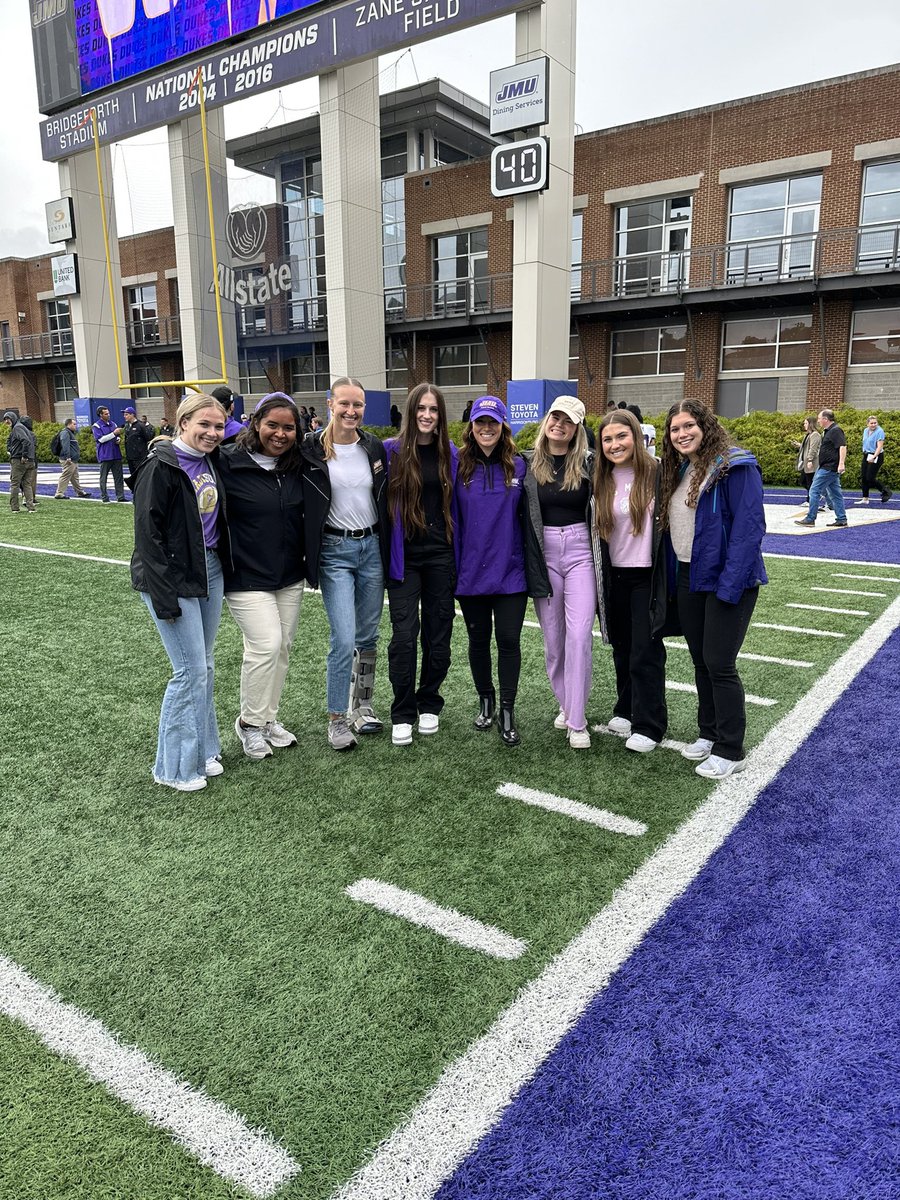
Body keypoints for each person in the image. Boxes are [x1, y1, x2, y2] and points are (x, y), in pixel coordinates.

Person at [660, 398, 767, 779]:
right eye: (675, 429)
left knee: (720, 663)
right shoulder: (682, 469)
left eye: (688, 426)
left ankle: (730, 747)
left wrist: (731, 585)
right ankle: (709, 732)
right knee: (701, 660)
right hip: (689, 575)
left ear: (705, 426)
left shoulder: (735, 465)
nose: (681, 434)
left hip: (726, 577)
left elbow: (749, 528)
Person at [129, 393, 230, 792]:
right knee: (188, 671)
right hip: (171, 578)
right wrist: (164, 596)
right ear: (183, 422)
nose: (212, 432)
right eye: (204, 424)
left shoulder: (211, 460)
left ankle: (205, 750)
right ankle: (173, 768)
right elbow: (148, 539)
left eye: (219, 426)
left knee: (204, 665)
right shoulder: (160, 466)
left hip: (210, 571)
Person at [300, 377, 390, 751]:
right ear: (330, 404)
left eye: (358, 405)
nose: (352, 411)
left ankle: (362, 706)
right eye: (345, 404)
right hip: (334, 552)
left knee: (367, 636)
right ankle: (337, 717)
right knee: (343, 638)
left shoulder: (373, 447)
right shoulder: (309, 448)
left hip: (372, 548)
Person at [219, 393, 305, 760]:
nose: (280, 434)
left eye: (288, 427)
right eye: (273, 425)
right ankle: (250, 724)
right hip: (245, 574)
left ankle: (268, 719)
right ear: (256, 424)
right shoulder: (226, 460)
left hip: (288, 574)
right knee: (265, 644)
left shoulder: (298, 463)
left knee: (282, 647)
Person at [455, 396, 542, 746]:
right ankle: (486, 700)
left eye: (492, 422)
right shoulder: (457, 464)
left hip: (511, 572)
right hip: (470, 572)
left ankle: (508, 709)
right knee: (478, 641)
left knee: (508, 641)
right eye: (480, 422)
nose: (486, 428)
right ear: (471, 427)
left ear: (503, 425)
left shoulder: (520, 466)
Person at [384, 382, 458, 746]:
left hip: (441, 556)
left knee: (438, 635)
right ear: (411, 413)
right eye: (421, 409)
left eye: (434, 410)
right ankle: (402, 710)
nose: (427, 416)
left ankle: (429, 701)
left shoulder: (452, 455)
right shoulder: (390, 452)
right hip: (405, 559)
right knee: (403, 636)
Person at [593, 408, 670, 753]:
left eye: (621, 436)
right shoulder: (600, 478)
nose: (615, 444)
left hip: (646, 574)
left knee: (645, 650)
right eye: (607, 439)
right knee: (622, 647)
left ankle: (650, 723)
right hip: (614, 574)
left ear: (636, 437)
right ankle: (625, 707)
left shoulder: (657, 473)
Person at [523, 396, 595, 749]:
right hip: (544, 554)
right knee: (554, 641)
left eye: (568, 420)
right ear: (546, 419)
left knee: (580, 636)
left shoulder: (589, 464)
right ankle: (567, 703)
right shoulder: (525, 463)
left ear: (577, 428)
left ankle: (577, 721)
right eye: (555, 416)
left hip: (582, 552)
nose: (560, 424)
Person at [794, 409, 847, 528]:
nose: (818, 421)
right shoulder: (828, 431)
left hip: (829, 467)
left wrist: (841, 463)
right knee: (835, 494)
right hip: (827, 466)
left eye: (819, 419)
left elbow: (842, 447)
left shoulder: (836, 430)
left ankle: (810, 518)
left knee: (814, 491)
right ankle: (841, 518)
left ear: (825, 419)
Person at [3, 411, 37, 513]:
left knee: (14, 484)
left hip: (20, 460)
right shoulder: (23, 428)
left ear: (12, 418)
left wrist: (24, 455)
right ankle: (31, 507)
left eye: (7, 419)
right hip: (30, 460)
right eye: (5, 420)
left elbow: (25, 441)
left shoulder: (17, 427)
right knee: (27, 484)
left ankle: (15, 508)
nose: (6, 422)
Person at [92, 406, 126, 503]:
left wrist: (118, 439)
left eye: (108, 413)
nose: (108, 415)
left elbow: (117, 437)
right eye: (106, 414)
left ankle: (120, 496)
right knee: (103, 478)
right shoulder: (96, 426)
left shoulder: (113, 424)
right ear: (100, 415)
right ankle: (104, 497)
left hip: (115, 454)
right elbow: (101, 439)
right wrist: (114, 434)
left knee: (119, 477)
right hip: (105, 455)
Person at [857, 415, 892, 505]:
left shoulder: (880, 431)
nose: (873, 425)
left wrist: (874, 456)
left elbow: (879, 446)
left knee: (870, 478)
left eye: (875, 423)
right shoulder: (865, 430)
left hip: (876, 455)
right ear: (867, 424)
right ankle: (865, 498)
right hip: (866, 455)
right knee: (864, 477)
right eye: (871, 423)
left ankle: (886, 491)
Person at [54, 418, 90, 499]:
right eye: (74, 424)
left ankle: (80, 492)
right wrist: (68, 457)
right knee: (66, 475)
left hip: (73, 459)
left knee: (74, 477)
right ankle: (59, 493)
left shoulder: (70, 433)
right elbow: (65, 445)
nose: (75, 426)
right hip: (69, 459)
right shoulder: (65, 433)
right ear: (69, 424)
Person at [790, 415, 821, 503]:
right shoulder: (808, 435)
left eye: (806, 423)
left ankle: (810, 500)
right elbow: (807, 447)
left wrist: (810, 460)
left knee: (810, 482)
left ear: (810, 424)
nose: (804, 425)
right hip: (806, 462)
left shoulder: (815, 435)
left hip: (811, 462)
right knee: (804, 481)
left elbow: (813, 449)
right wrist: (799, 445)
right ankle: (810, 499)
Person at [123, 406, 153, 481]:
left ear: (132, 415)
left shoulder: (140, 425)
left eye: (126, 414)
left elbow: (148, 437)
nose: (124, 416)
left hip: (139, 457)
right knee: (133, 477)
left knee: (141, 477)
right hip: (130, 457)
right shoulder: (127, 426)